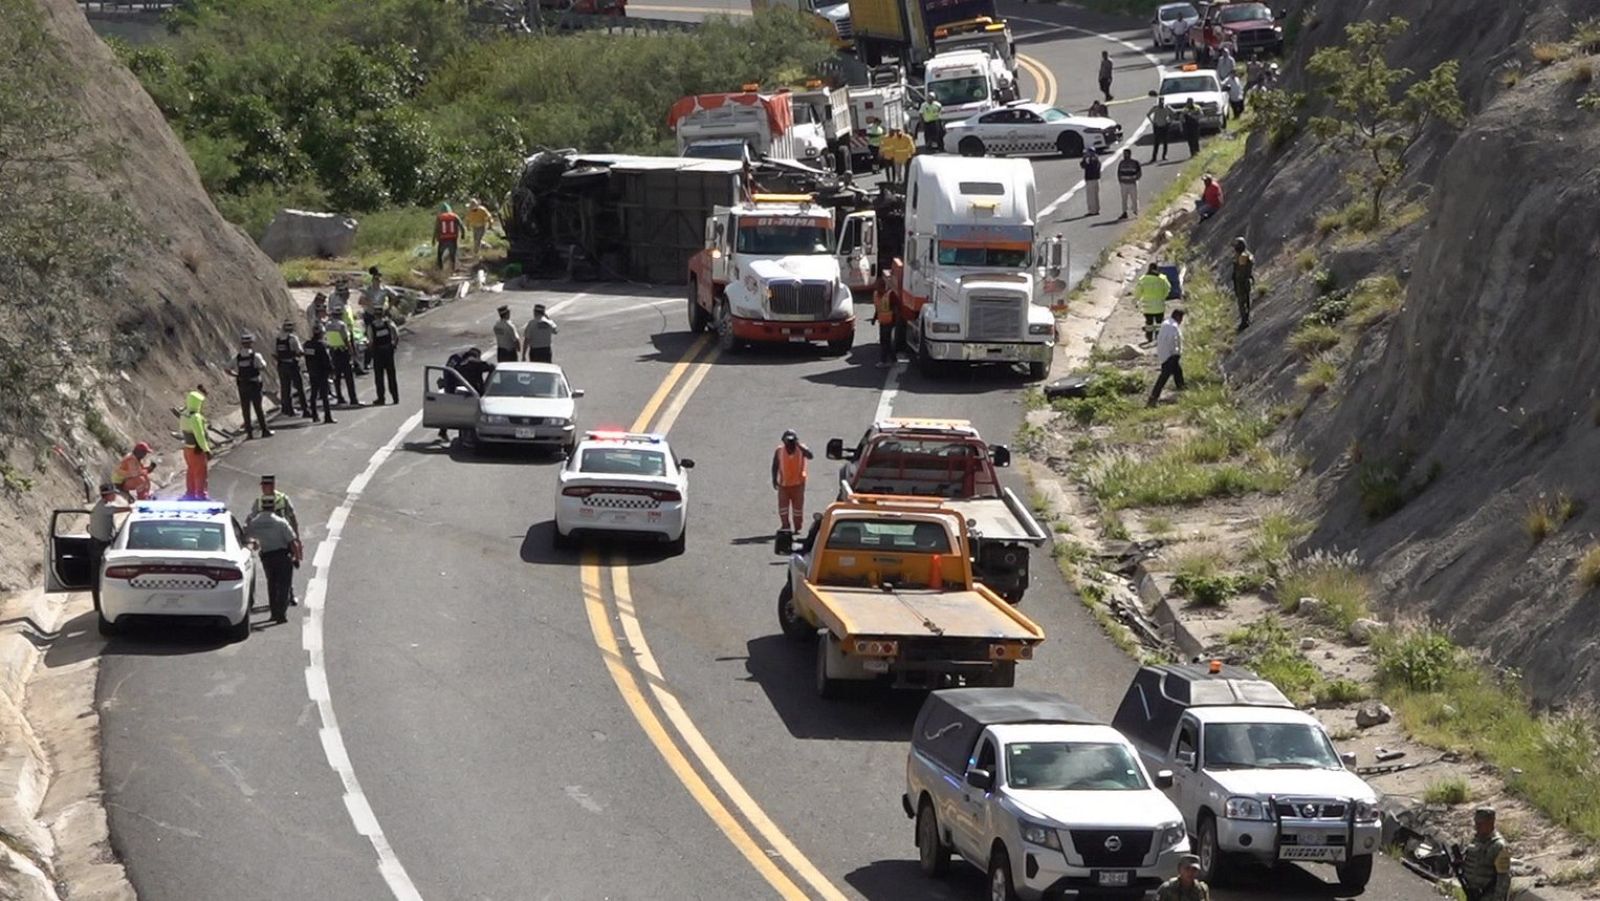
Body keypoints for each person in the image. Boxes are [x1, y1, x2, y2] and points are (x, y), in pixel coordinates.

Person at [245, 507, 298, 624]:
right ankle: (281, 614)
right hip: (283, 557)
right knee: (284, 586)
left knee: (272, 584)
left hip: (268, 558)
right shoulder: (281, 522)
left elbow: (247, 537)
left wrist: (255, 544)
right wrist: (297, 557)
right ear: (273, 508)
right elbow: (292, 541)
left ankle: (274, 613)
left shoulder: (255, 522)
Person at [88, 484, 130, 611]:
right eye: (113, 494)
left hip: (100, 543)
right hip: (99, 545)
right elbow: (116, 510)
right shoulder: (103, 507)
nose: (115, 496)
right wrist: (131, 508)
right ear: (107, 495)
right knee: (98, 576)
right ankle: (98, 605)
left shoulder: (103, 505)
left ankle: (99, 604)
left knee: (99, 576)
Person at [226, 333, 273, 439]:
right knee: (258, 408)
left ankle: (249, 434)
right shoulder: (256, 356)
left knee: (245, 410)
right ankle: (265, 430)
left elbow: (227, 369)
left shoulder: (237, 357)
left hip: (242, 385)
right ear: (251, 343)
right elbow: (263, 366)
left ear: (242, 344)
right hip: (254, 384)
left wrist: (236, 375)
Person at [1460, 807, 1512, 901]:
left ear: (1490, 823)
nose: (1477, 826)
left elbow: (1504, 877)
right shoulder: (1474, 840)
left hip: (1489, 896)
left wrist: (1498, 898)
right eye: (1476, 823)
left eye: (1480, 824)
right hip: (1472, 894)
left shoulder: (1498, 846)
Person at [771, 429, 814, 534]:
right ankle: (785, 525)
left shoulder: (801, 449)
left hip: (798, 484)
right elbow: (775, 465)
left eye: (792, 440)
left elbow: (810, 455)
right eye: (787, 441)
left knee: (798, 508)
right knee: (783, 507)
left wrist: (798, 444)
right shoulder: (779, 451)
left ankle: (797, 526)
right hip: (784, 484)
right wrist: (774, 479)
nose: (790, 444)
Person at [1147, 308, 1186, 407]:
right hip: (1171, 355)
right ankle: (1153, 398)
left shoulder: (1165, 324)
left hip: (1164, 353)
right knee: (1164, 377)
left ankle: (1182, 390)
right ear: (1178, 317)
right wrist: (1176, 353)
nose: (1181, 321)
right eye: (1181, 319)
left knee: (1178, 372)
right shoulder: (1173, 327)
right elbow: (1175, 341)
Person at [179, 389, 211, 500]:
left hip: (187, 448)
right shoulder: (195, 417)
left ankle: (190, 493)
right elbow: (199, 434)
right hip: (196, 449)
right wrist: (206, 449)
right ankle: (201, 494)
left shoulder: (184, 414)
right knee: (200, 472)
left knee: (191, 470)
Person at [273, 319, 309, 419]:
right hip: (292, 365)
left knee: (285, 388)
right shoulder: (293, 338)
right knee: (300, 387)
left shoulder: (277, 339)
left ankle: (288, 409)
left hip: (281, 366)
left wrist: (281, 360)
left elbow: (274, 353)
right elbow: (299, 351)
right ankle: (305, 409)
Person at [302, 325, 336, 424]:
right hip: (322, 372)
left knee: (313, 394)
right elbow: (326, 359)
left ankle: (315, 416)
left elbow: (307, 358)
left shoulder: (307, 345)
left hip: (312, 372)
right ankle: (328, 417)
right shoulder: (321, 345)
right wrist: (331, 369)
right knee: (324, 395)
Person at [325, 312, 359, 405]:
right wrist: (352, 353)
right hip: (343, 352)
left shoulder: (327, 325)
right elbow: (346, 339)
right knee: (348, 377)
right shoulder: (341, 325)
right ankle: (353, 399)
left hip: (333, 352)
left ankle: (340, 398)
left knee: (337, 377)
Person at [368, 307, 400, 405]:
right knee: (391, 376)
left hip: (378, 353)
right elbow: (396, 335)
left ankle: (381, 398)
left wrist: (371, 352)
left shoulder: (371, 326)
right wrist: (394, 346)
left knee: (379, 377)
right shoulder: (389, 323)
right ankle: (395, 398)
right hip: (388, 352)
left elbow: (371, 341)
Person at [1135, 263, 1172, 344]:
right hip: (1159, 306)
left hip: (1147, 306)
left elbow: (1138, 291)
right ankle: (1158, 337)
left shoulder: (1143, 279)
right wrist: (1163, 297)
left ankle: (1149, 337)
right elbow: (1168, 288)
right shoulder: (1162, 278)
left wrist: (1136, 300)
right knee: (1159, 322)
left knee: (1149, 322)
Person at [1231, 236, 1255, 330]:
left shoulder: (1243, 256)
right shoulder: (1247, 254)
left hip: (1242, 282)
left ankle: (1244, 321)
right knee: (1246, 300)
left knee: (1242, 302)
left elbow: (1241, 271)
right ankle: (1246, 319)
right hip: (1245, 281)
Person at [872, 276, 896, 368]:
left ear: (882, 287)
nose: (876, 289)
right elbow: (878, 308)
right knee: (886, 342)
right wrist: (874, 318)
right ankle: (893, 359)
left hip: (889, 322)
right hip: (882, 322)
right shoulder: (876, 295)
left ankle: (884, 361)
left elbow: (895, 309)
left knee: (885, 342)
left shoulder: (889, 295)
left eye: (878, 287)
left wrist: (894, 322)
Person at [434, 202, 463, 273]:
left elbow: (436, 229)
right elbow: (461, 226)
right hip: (453, 238)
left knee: (439, 255)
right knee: (453, 254)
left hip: (443, 238)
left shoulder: (439, 217)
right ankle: (454, 269)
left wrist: (434, 239)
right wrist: (463, 234)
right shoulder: (455, 216)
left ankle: (440, 269)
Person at [1116, 149, 1143, 219]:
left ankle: (1136, 211)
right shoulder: (1121, 163)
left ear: (1130, 154)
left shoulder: (1135, 163)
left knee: (1134, 198)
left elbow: (1139, 172)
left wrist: (1135, 179)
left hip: (1132, 183)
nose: (1125, 155)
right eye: (1124, 154)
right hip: (1124, 184)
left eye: (1126, 154)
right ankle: (1124, 212)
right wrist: (1120, 181)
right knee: (1124, 199)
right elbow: (1119, 172)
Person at [1146, 91, 1172, 162]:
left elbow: (1173, 113)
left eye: (1162, 101)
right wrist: (1153, 122)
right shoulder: (1155, 107)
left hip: (1164, 126)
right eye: (1160, 101)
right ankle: (1154, 157)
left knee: (1165, 142)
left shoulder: (1166, 107)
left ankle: (1164, 155)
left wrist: (1169, 121)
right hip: (1157, 126)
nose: (1161, 103)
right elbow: (1148, 114)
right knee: (1156, 142)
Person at [1080, 148, 1102, 217]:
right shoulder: (1097, 159)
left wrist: (1085, 160)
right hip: (1096, 179)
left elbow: (1084, 166)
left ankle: (1092, 211)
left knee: (1091, 196)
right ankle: (1096, 209)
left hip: (1091, 179)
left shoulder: (1091, 160)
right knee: (1095, 196)